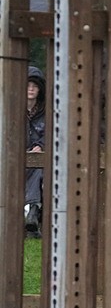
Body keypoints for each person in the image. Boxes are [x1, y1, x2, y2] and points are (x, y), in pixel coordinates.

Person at [24, 66, 46, 238]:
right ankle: (32, 211)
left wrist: (40, 145)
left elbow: (52, 133)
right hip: (16, 158)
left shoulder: (47, 113)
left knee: (38, 166)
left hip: (39, 159)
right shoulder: (13, 110)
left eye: (35, 86)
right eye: (28, 85)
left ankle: (33, 212)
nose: (31, 89)